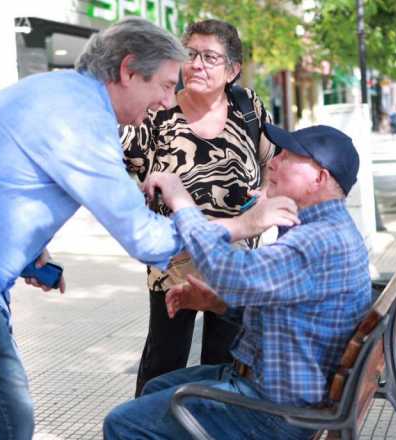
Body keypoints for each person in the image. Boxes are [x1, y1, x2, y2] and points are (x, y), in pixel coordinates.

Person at [0, 18, 192, 440]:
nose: (168, 102)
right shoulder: (80, 120)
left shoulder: (58, 93)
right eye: (167, 86)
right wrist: (227, 224)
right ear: (129, 69)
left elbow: (2, 180)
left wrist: (27, 252)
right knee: (7, 421)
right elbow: (146, 240)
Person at [104, 124, 373, 439]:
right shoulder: (329, 228)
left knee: (122, 423)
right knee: (156, 387)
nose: (273, 161)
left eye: (288, 156)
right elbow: (287, 310)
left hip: (274, 410)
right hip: (284, 389)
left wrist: (181, 201)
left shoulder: (316, 241)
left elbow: (225, 269)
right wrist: (217, 303)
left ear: (320, 178)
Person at [121, 19, 275, 396]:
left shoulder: (248, 107)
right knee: (164, 357)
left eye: (210, 57)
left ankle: (206, 429)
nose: (197, 65)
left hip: (234, 259)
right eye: (190, 55)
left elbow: (275, 162)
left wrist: (266, 194)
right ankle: (147, 429)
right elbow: (120, 170)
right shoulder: (158, 110)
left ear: (232, 70)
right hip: (173, 259)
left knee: (223, 361)